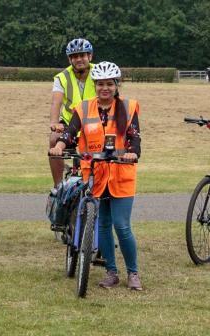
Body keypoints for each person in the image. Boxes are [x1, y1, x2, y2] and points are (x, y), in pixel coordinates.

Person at [49, 61, 143, 291]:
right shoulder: (82, 108)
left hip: (121, 174)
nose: (105, 89)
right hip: (95, 175)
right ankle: (111, 272)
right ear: (95, 85)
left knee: (121, 226)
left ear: (116, 85)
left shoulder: (128, 108)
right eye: (100, 84)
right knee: (102, 225)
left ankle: (133, 273)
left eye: (109, 84)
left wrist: (132, 153)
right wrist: (60, 146)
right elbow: (71, 133)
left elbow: (134, 138)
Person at [49, 38, 96, 188]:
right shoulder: (62, 77)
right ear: (70, 59)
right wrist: (55, 123)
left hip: (93, 124)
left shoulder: (98, 72)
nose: (79, 59)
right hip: (69, 123)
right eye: (75, 56)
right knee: (53, 139)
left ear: (90, 56)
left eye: (82, 55)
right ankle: (58, 186)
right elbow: (56, 102)